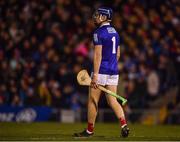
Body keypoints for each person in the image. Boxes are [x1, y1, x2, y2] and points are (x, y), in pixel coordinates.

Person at [74, 7, 129, 138]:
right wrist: (112, 66)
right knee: (113, 101)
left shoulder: (98, 32)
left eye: (98, 15)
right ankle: (124, 125)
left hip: (101, 71)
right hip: (113, 71)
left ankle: (89, 131)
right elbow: (118, 54)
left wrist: (96, 75)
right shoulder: (115, 32)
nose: (95, 17)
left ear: (104, 17)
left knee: (93, 100)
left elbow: (97, 55)